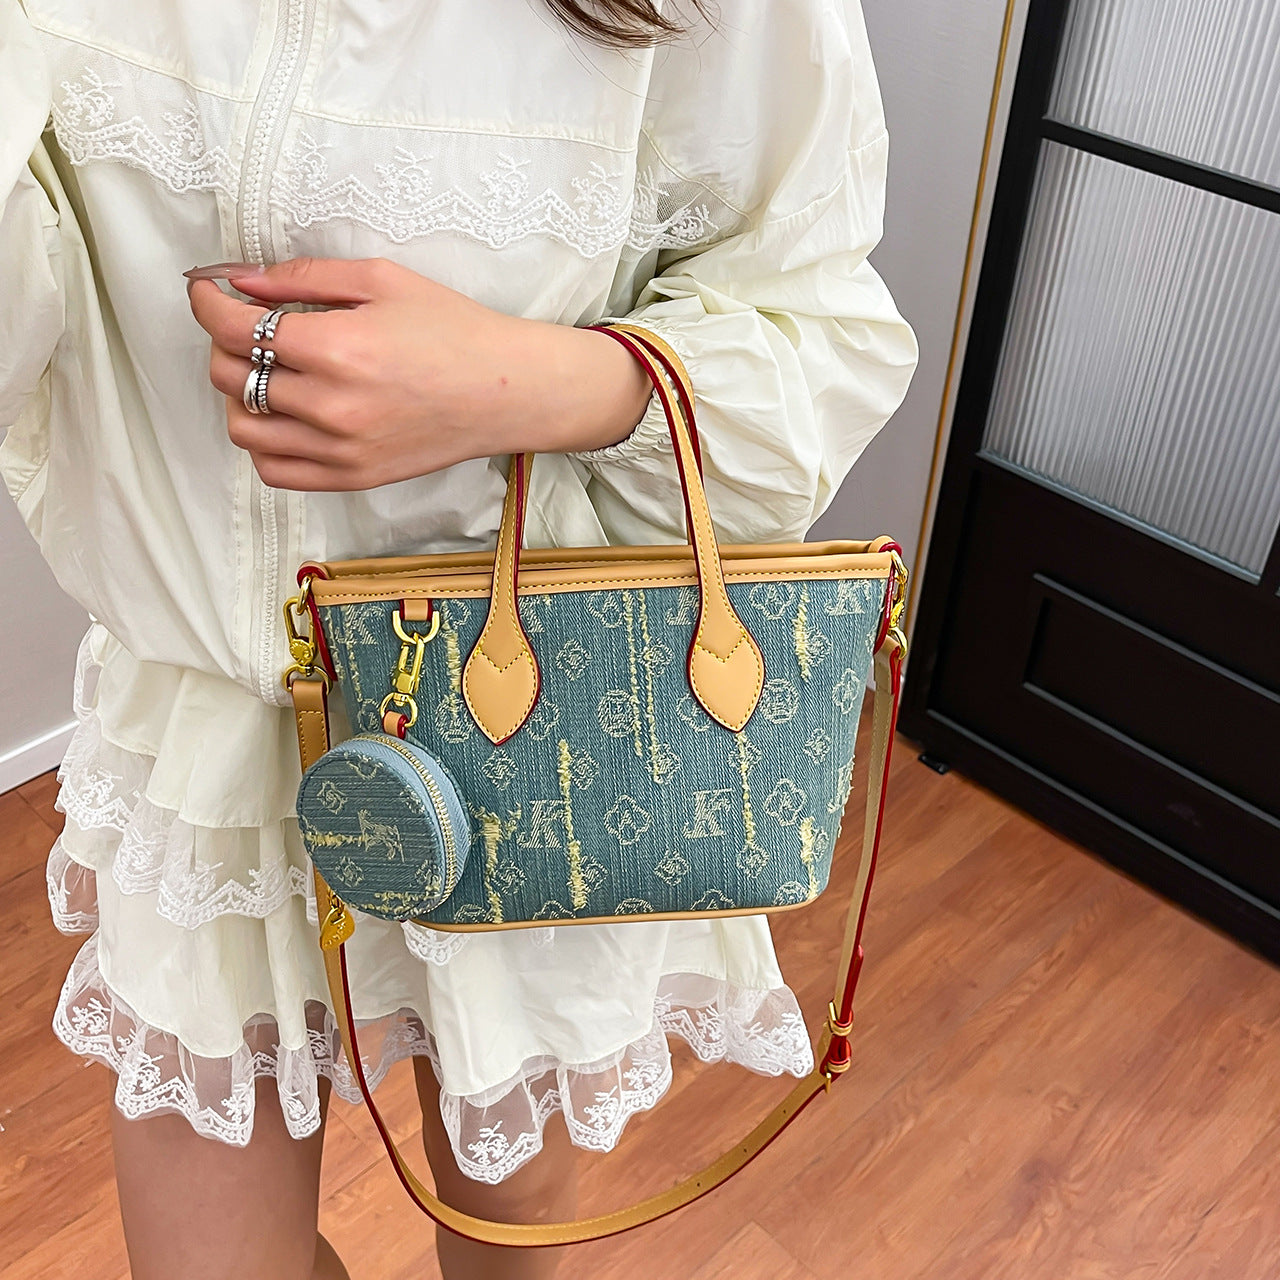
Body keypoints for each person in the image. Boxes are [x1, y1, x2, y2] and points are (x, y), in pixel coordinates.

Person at [0, 0, 917, 1276]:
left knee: (503, 1220)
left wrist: (518, 382)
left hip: (517, 712)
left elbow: (818, 326)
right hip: (204, 742)